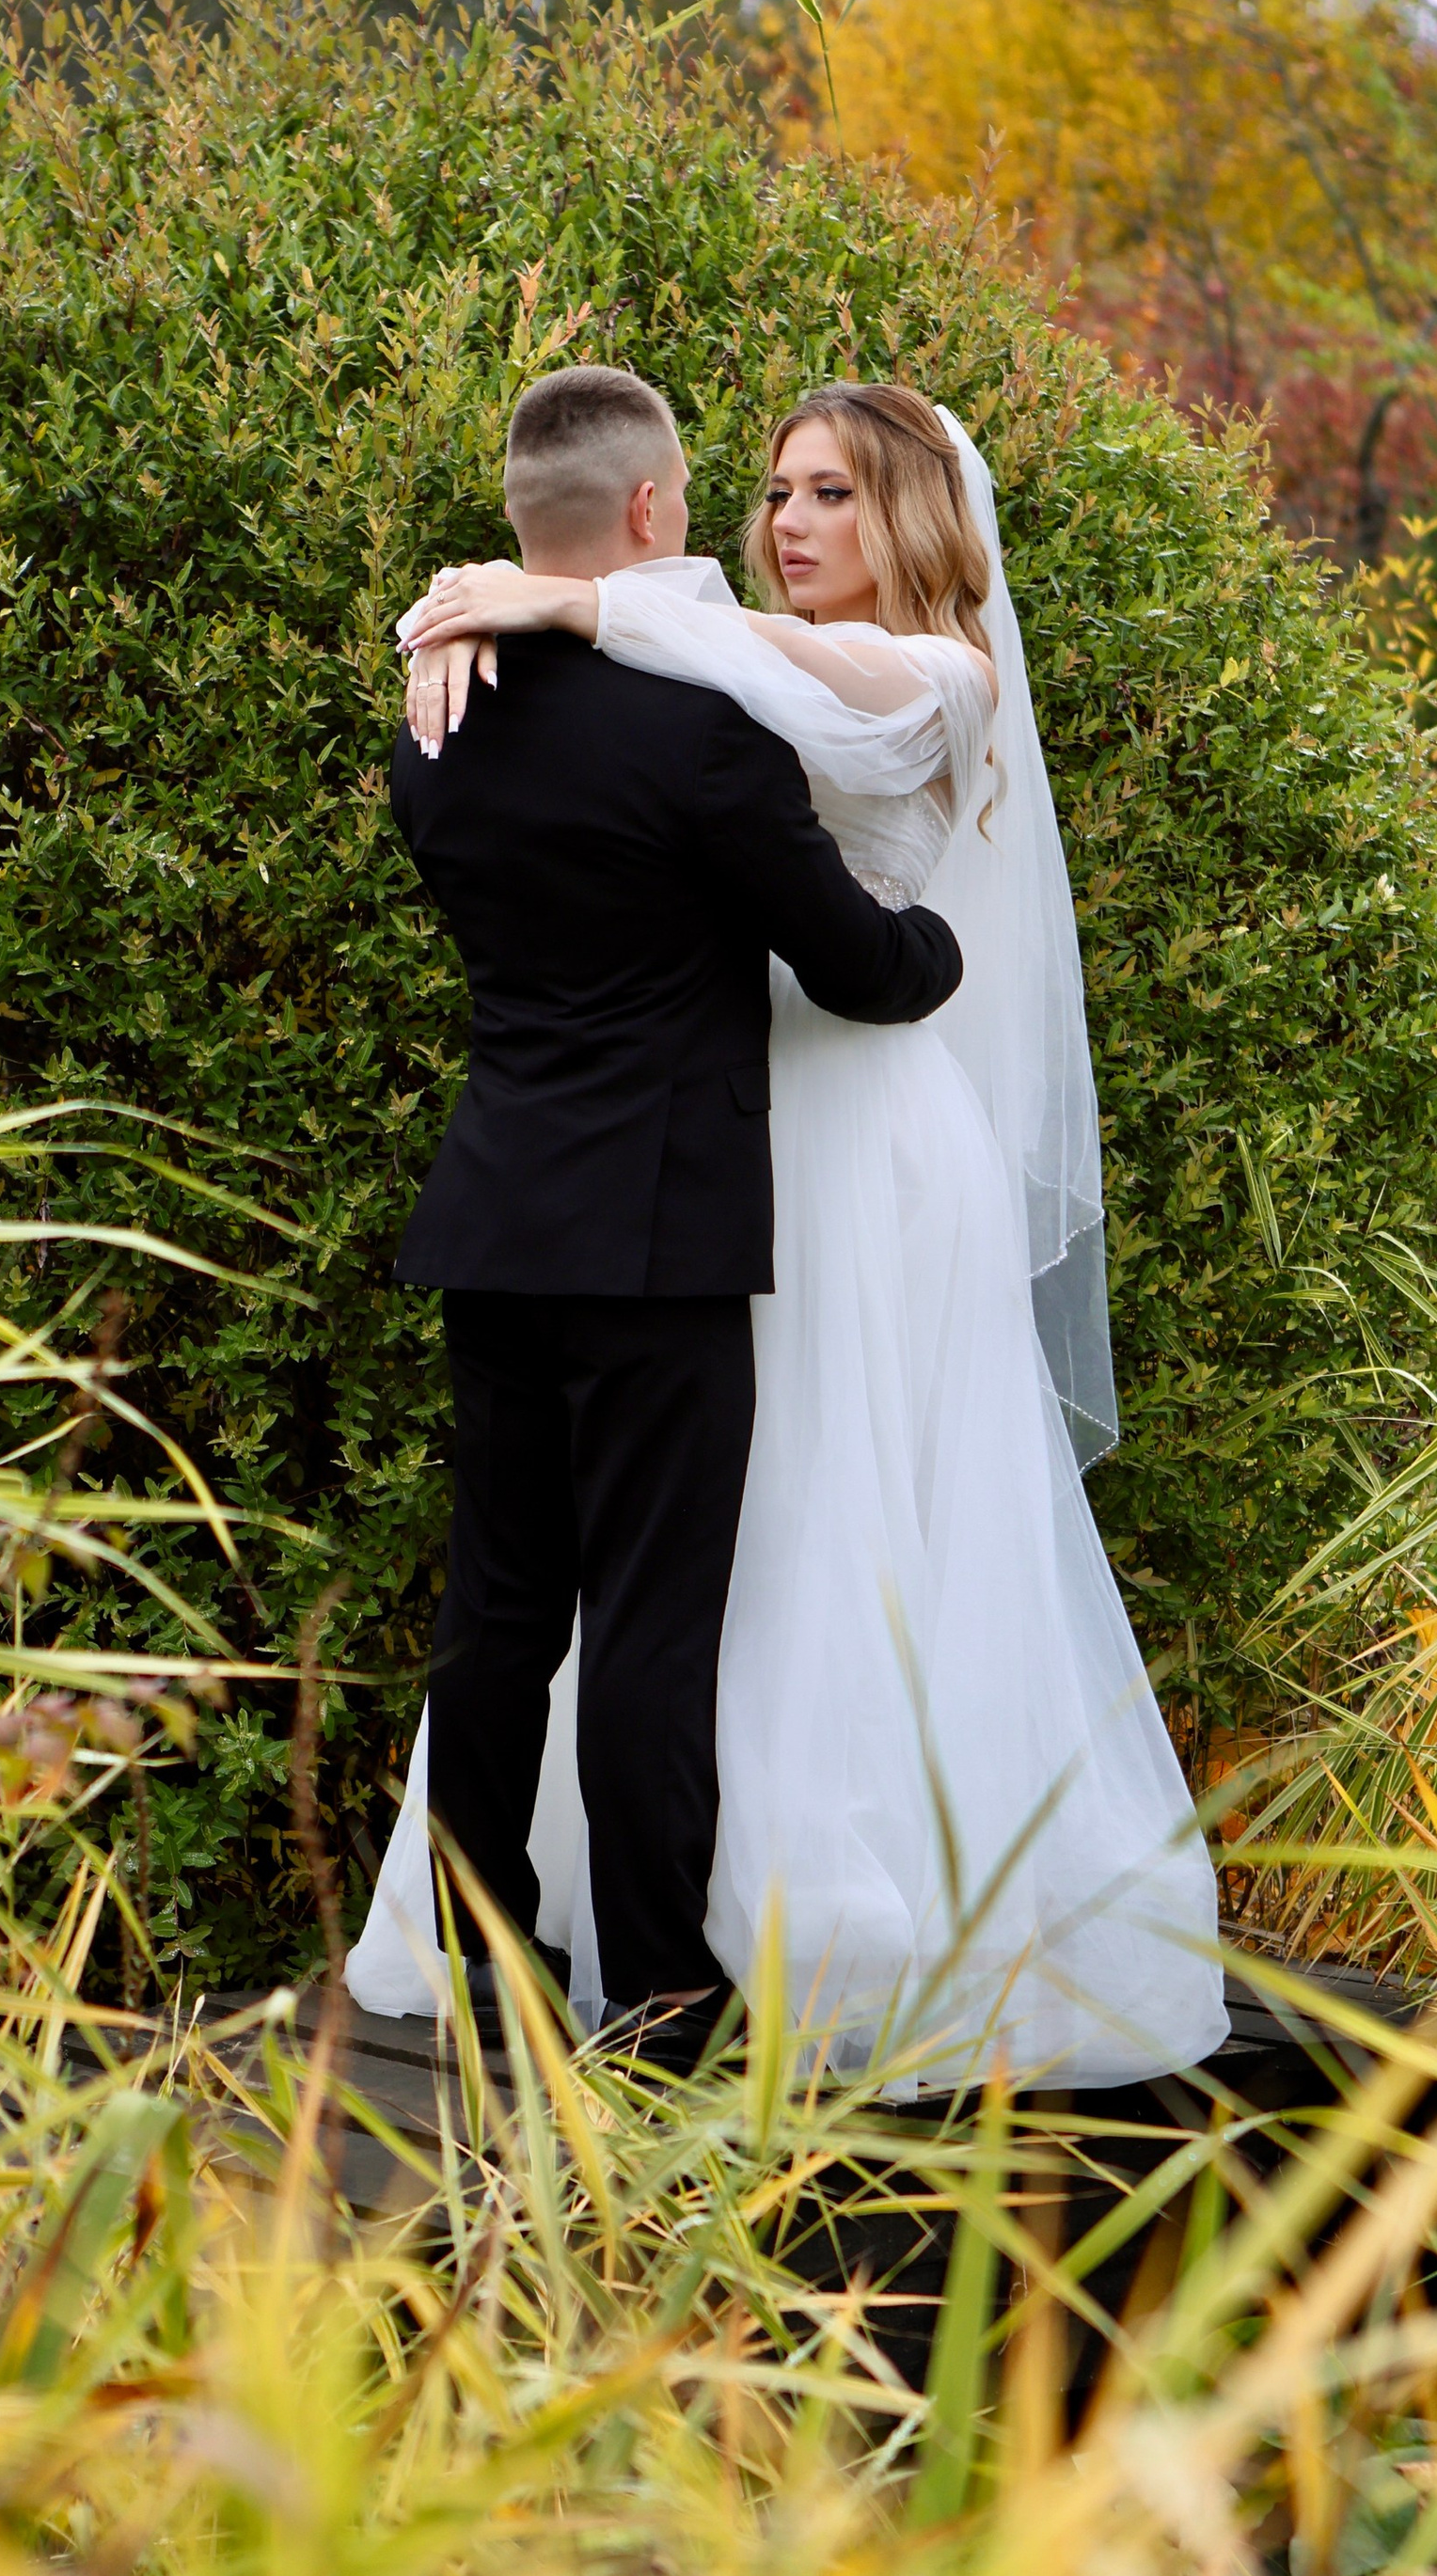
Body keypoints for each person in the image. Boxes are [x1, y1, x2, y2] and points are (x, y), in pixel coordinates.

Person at [353, 379, 1225, 2091]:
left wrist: (536, 591)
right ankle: (674, 1960)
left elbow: (742, 667)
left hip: (869, 1141)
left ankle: (851, 1914)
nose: (794, 520)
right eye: (773, 491)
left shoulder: (937, 676)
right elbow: (695, 681)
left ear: (910, 519)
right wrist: (482, 606)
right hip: (708, 1154)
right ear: (688, 506)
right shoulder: (701, 683)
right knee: (685, 1581)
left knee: (839, 1523)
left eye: (833, 493)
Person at [370, 364, 962, 2074]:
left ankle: (482, 1956)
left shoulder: (438, 725)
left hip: (495, 1215)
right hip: (662, 1234)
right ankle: (651, 1992)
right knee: (649, 1619)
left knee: (498, 1608)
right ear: (649, 514)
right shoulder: (704, 734)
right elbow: (856, 970)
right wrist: (938, 951)